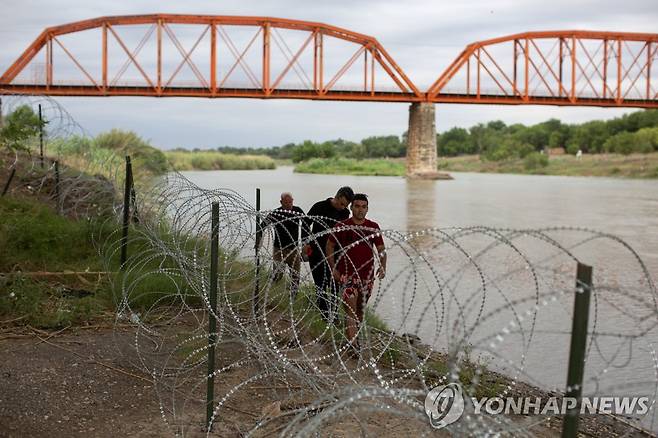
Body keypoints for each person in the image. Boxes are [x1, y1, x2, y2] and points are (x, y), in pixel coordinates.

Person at [326, 193, 386, 354]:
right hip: (347, 276)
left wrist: (383, 266)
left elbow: (380, 249)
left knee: (360, 310)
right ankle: (352, 345)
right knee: (351, 310)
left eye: (363, 207)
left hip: (367, 276)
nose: (360, 210)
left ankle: (355, 339)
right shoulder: (342, 225)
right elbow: (329, 246)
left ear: (367, 209)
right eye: (357, 206)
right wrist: (334, 268)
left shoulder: (372, 226)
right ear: (351, 208)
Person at [304, 186, 355, 321]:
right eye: (342, 203)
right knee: (320, 284)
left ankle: (334, 314)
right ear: (336, 197)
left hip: (336, 254)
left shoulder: (344, 213)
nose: (343, 207)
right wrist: (307, 242)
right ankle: (325, 316)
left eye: (346, 205)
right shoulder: (319, 207)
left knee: (335, 285)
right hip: (317, 252)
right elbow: (305, 224)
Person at [260, 192, 306, 298]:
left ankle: (293, 296)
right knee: (277, 274)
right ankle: (272, 294)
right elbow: (262, 225)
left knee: (295, 275)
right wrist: (259, 240)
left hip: (293, 249)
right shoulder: (276, 213)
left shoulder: (297, 211)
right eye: (286, 202)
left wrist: (305, 242)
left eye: (291, 202)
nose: (289, 204)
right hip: (279, 249)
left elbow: (306, 224)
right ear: (281, 202)